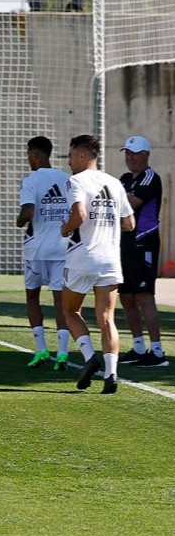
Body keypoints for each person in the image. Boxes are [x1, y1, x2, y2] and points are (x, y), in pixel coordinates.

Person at [60, 134, 134, 394]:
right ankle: (111, 374)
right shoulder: (114, 182)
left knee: (69, 310)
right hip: (110, 259)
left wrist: (65, 229)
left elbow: (79, 214)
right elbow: (130, 223)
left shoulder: (76, 181)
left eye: (70, 156)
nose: (69, 162)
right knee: (106, 318)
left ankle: (90, 357)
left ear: (81, 155)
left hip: (82, 256)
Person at [16, 136, 71, 369]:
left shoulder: (31, 180)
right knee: (61, 301)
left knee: (32, 296)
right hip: (62, 249)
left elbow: (28, 210)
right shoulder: (67, 179)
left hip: (36, 250)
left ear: (35, 155)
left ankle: (41, 350)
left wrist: (20, 221)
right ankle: (62, 353)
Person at [117, 136, 168, 367]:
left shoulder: (150, 178)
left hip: (144, 242)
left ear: (146, 154)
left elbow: (129, 204)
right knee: (126, 296)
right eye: (127, 153)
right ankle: (138, 347)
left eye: (135, 153)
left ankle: (157, 351)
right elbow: (119, 203)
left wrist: (120, 200)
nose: (130, 157)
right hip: (124, 244)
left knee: (144, 296)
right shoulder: (125, 179)